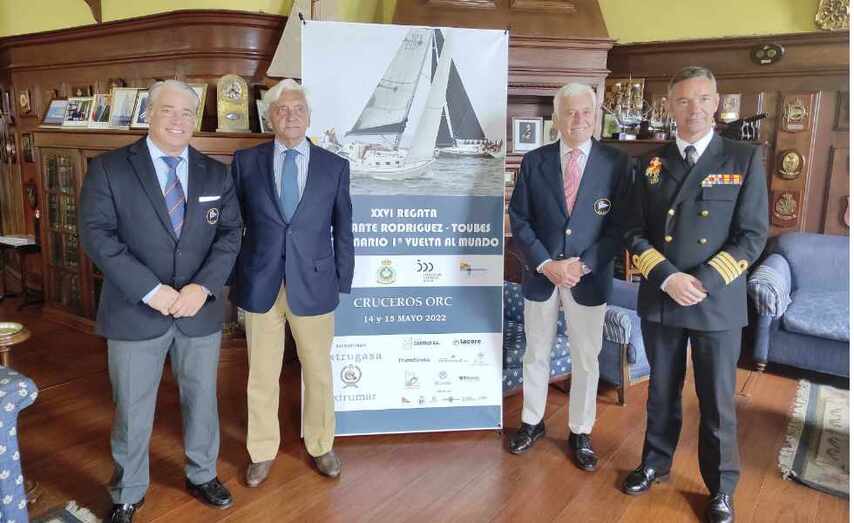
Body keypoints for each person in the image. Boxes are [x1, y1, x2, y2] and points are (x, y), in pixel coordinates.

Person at [79, 80, 242, 523]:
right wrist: (152, 290)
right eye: (169, 110)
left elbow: (230, 235)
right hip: (135, 309)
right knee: (132, 406)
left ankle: (202, 473)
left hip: (197, 310)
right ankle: (128, 491)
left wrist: (202, 287)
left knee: (202, 400)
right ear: (148, 114)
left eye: (188, 112)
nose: (179, 119)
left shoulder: (215, 173)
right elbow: (97, 235)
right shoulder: (110, 169)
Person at [620, 66, 768, 523]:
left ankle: (721, 488)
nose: (694, 109)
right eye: (683, 101)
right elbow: (632, 230)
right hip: (663, 297)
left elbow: (753, 234)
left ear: (717, 103)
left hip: (716, 300)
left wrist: (702, 279)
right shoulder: (648, 161)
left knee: (717, 400)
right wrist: (666, 276)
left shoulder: (742, 157)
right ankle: (654, 463)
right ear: (670, 106)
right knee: (661, 392)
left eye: (703, 99)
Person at [230, 79, 354, 487]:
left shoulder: (334, 166)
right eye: (282, 109)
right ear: (270, 116)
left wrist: (343, 280)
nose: (291, 115)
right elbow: (234, 227)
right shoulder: (246, 163)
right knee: (261, 375)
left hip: (315, 285)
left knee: (318, 372)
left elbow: (343, 228)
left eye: (298, 108)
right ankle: (261, 450)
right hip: (261, 284)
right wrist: (235, 282)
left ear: (309, 115)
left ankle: (321, 445)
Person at [507, 83, 632, 470]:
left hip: (588, 279)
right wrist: (547, 264)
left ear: (595, 115)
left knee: (586, 358)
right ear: (556, 118)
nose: (578, 119)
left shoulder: (617, 163)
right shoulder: (535, 161)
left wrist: (583, 264)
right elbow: (520, 218)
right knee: (535, 353)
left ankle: (580, 430)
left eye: (586, 111)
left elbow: (622, 225)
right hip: (542, 276)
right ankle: (532, 422)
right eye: (570, 112)